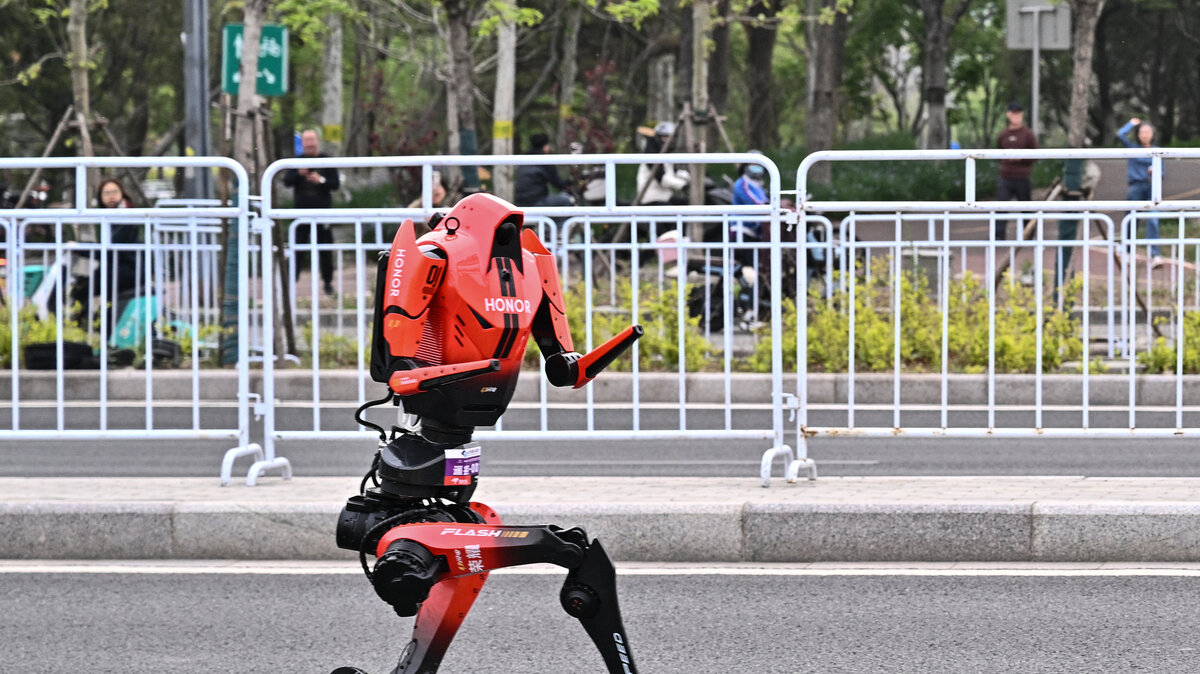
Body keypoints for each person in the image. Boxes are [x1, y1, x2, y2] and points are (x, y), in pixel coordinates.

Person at [283, 129, 341, 295]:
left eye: (312, 140)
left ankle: (328, 284)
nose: (309, 144)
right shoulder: (297, 161)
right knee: (296, 249)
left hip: (323, 214)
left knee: (325, 249)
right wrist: (299, 174)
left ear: (317, 141)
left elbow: (335, 184)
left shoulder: (327, 160)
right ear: (302, 144)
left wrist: (320, 180)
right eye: (306, 141)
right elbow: (286, 181)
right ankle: (289, 284)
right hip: (301, 215)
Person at [1117, 117, 1163, 266]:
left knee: (1153, 219)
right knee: (1132, 219)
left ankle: (1155, 255)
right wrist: (1131, 124)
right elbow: (1120, 135)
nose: (1144, 134)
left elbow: (1162, 173)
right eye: (1142, 132)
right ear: (1138, 134)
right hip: (1136, 187)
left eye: (1147, 131)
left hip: (1151, 187)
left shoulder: (1157, 151)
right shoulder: (1132, 149)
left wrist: (1155, 172)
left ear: (1153, 134)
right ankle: (1128, 252)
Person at [995, 101, 1038, 240]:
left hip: (1023, 176)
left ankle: (1028, 236)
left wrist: (1021, 159)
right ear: (1008, 115)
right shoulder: (1002, 135)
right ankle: (999, 236)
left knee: (1026, 206)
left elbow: (1036, 154)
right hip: (1005, 176)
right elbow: (997, 152)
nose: (1016, 116)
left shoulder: (1028, 134)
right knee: (1001, 206)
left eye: (1018, 113)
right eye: (1014, 113)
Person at [635, 122, 690, 207]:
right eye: (665, 137)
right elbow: (663, 179)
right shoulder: (651, 157)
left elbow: (674, 172)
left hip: (665, 196)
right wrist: (683, 186)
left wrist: (692, 177)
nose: (669, 140)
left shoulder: (665, 156)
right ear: (658, 138)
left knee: (689, 204)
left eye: (670, 137)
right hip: (651, 199)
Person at [513, 133, 572, 208]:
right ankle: (561, 220)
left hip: (520, 202)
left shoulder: (524, 159)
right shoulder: (544, 160)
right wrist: (568, 184)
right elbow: (557, 183)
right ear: (545, 146)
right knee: (565, 200)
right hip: (537, 202)